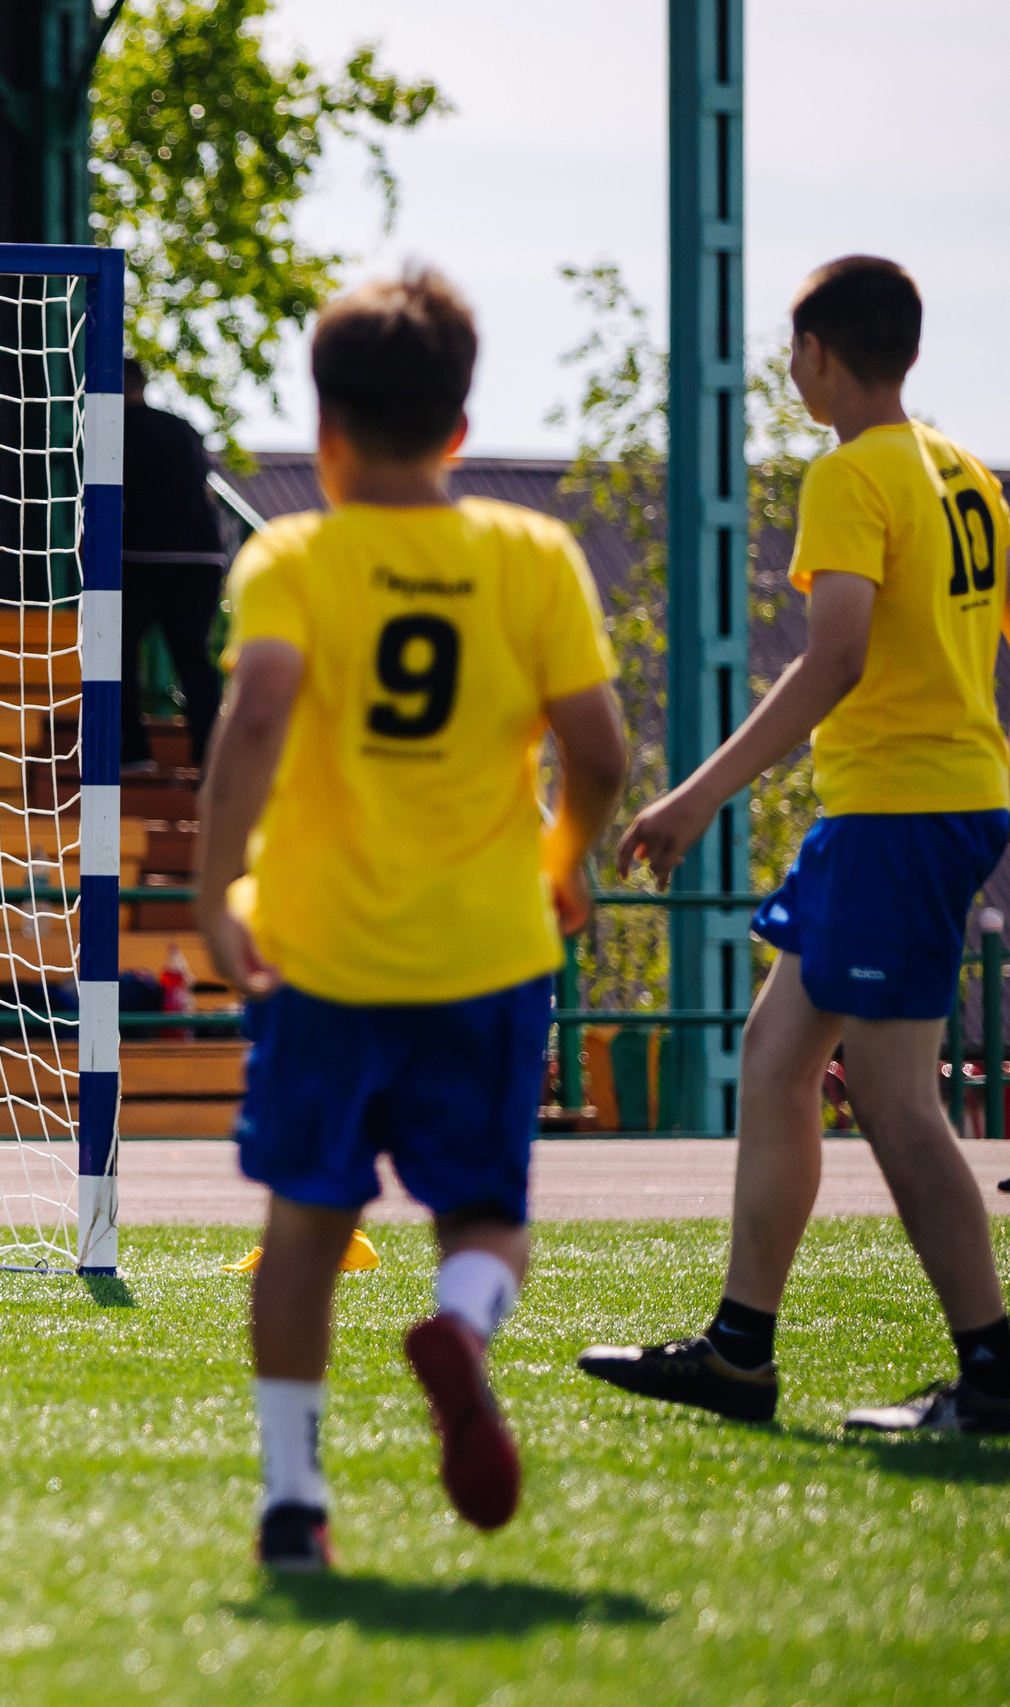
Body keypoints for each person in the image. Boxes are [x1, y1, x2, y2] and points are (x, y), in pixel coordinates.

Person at [195, 268, 627, 1571]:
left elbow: (255, 717)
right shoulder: (531, 555)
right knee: (487, 1212)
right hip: (489, 950)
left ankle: (291, 1499)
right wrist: (566, 852)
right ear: (459, 426)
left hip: (322, 953)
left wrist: (215, 890)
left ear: (324, 431)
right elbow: (600, 749)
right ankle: (464, 1322)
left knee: (305, 1231)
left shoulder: (292, 555)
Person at [580, 257, 1010, 1437]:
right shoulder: (966, 474)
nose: (787, 365)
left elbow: (837, 658)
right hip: (904, 806)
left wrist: (698, 795)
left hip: (899, 814)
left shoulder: (852, 472)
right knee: (775, 1058)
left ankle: (992, 1367)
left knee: (888, 1095)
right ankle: (737, 1352)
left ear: (819, 354)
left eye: (792, 346)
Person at [120, 361, 227, 767]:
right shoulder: (182, 427)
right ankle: (210, 758)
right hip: (200, 555)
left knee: (120, 653)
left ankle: (131, 752)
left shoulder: (117, 428)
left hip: (143, 554)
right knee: (193, 658)